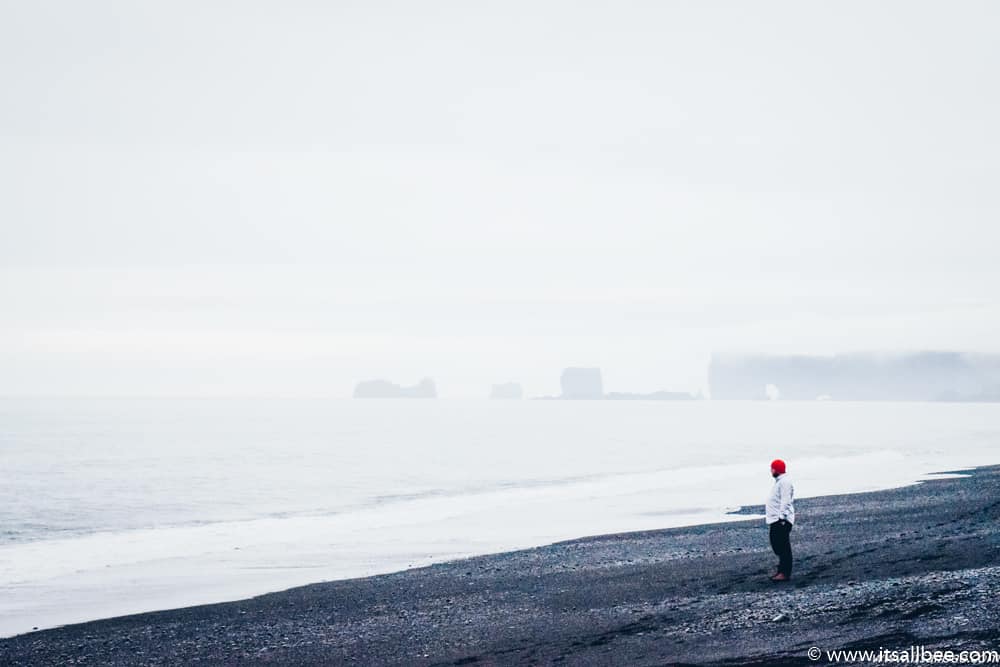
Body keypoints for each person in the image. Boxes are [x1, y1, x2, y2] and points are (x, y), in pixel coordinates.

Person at [766, 458, 795, 582]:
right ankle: (781, 569)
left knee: (783, 546)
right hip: (775, 519)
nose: (771, 471)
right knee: (777, 545)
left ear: (776, 469)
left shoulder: (784, 482)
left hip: (781, 519)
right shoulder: (780, 482)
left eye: (772, 468)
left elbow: (786, 500)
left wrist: (782, 517)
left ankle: (784, 572)